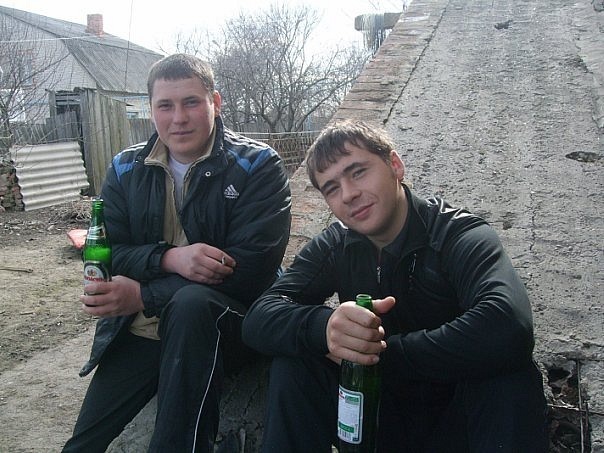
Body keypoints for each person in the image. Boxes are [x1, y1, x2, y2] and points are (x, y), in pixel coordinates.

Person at [242, 120, 548, 452]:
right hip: (377, 420)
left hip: (458, 420)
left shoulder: (455, 234)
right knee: (295, 363)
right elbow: (260, 316)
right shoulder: (336, 245)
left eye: (358, 172)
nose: (349, 194)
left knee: (510, 373)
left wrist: (378, 354)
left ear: (395, 166)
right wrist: (325, 328)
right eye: (331, 188)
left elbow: (509, 323)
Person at [62, 54, 291, 453]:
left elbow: (251, 270)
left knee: (190, 305)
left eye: (191, 102)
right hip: (145, 329)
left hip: (229, 324)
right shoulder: (125, 168)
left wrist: (143, 295)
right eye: (165, 105)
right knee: (82, 445)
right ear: (150, 109)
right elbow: (106, 253)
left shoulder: (257, 166)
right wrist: (169, 258)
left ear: (215, 103)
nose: (178, 118)